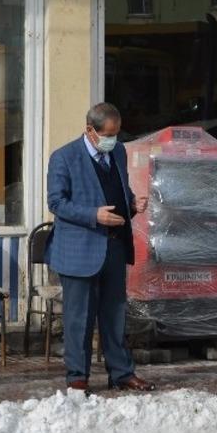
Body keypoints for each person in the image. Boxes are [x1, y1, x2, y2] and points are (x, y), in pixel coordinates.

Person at [46, 102, 153, 393]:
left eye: (116, 133)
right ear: (90, 131)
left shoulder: (117, 151)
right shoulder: (64, 157)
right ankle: (77, 377)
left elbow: (120, 187)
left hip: (114, 246)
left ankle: (121, 373)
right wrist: (94, 214)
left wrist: (132, 203)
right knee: (79, 318)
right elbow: (56, 202)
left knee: (115, 314)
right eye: (108, 134)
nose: (113, 139)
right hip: (79, 250)